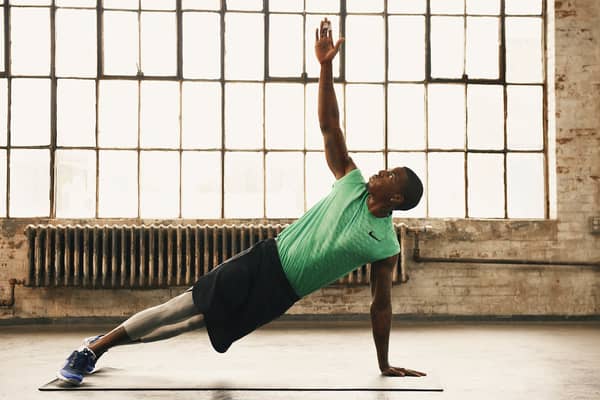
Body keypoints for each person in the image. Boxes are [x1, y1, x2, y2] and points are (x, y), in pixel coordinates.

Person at [57, 18, 426, 385]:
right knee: (185, 306)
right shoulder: (352, 183)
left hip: (281, 294)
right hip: (263, 260)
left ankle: (103, 344)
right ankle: (94, 350)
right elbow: (330, 126)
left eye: (390, 175)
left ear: (396, 197)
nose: (380, 172)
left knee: (195, 322)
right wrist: (325, 68)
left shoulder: (386, 246)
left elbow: (381, 304)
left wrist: (384, 363)